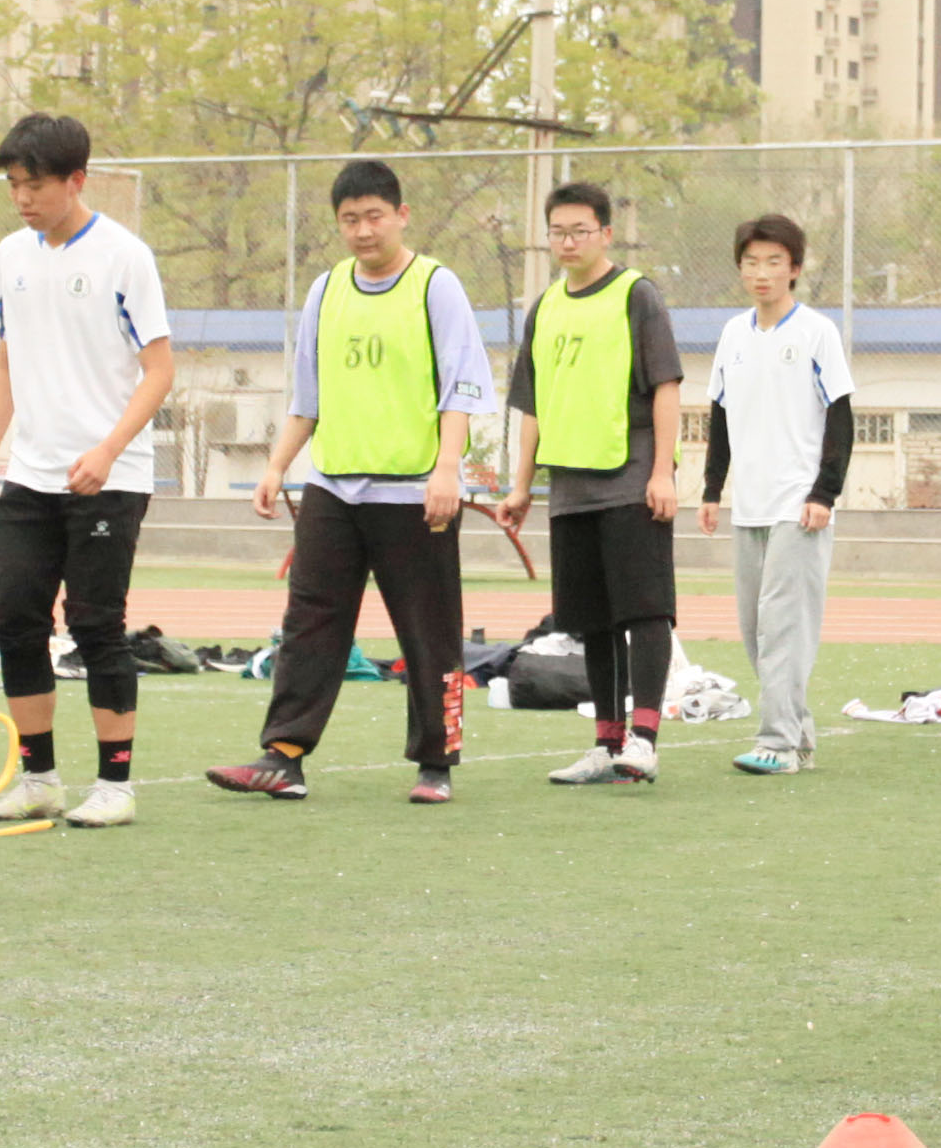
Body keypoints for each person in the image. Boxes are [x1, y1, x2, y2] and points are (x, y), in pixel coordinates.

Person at [213, 156, 491, 803]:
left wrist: (447, 470)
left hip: (414, 493)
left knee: (429, 630)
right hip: (333, 490)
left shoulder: (435, 286)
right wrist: (278, 465)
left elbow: (464, 386)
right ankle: (283, 755)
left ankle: (436, 761)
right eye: (349, 220)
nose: (364, 231)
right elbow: (306, 394)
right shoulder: (327, 289)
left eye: (374, 216)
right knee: (310, 622)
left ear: (401, 215)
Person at [0, 111, 178, 829]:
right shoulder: (10, 256)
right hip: (31, 472)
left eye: (34, 185)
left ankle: (114, 785)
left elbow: (159, 369)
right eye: (13, 186)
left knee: (96, 625)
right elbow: (4, 363)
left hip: (108, 478)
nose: (22, 199)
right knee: (16, 619)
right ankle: (39, 778)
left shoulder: (124, 256)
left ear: (76, 180)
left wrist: (108, 449)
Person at [498, 181, 684, 784]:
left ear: (606, 233)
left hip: (630, 481)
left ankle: (645, 740)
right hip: (569, 489)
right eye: (558, 231)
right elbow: (531, 405)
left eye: (581, 230)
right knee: (593, 622)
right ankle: (606, 744)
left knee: (645, 613)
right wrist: (522, 485)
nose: (569, 241)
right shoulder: (545, 306)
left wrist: (662, 472)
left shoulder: (637, 295)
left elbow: (666, 386)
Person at [697, 211, 854, 775]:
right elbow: (719, 415)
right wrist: (713, 489)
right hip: (750, 506)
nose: (761, 273)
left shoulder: (817, 333)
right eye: (751, 263)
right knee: (754, 631)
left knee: (783, 625)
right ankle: (800, 735)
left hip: (798, 506)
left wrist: (824, 493)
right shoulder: (733, 335)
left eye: (773, 263)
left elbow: (841, 417)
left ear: (794, 269)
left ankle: (779, 744)